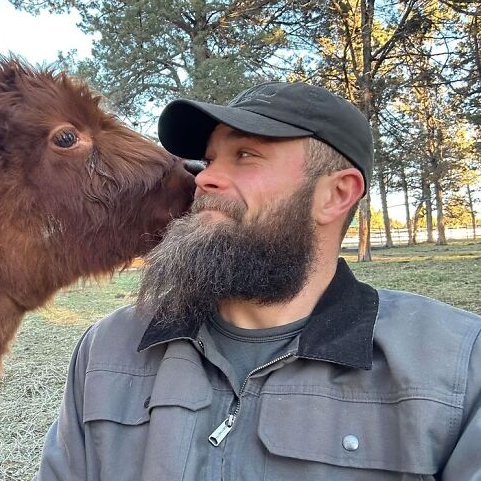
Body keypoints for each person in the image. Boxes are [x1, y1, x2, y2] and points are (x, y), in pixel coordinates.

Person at [35, 81, 481, 480]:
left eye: (245, 155)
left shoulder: (456, 369)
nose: (204, 177)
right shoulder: (107, 350)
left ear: (335, 194)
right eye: (210, 159)